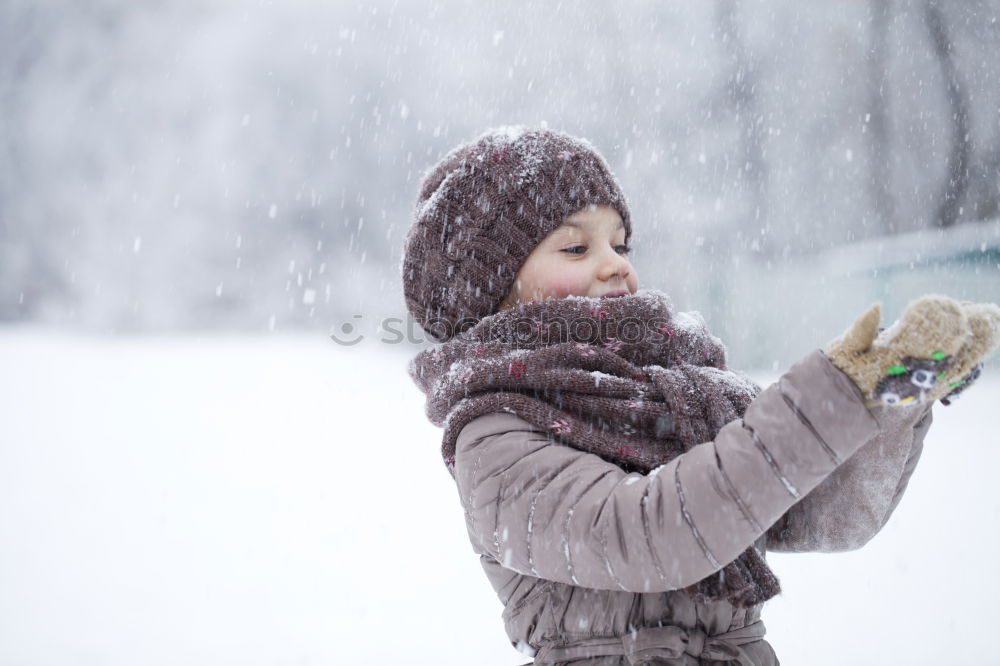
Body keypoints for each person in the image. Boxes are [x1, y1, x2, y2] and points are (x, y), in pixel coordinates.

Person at [402, 126, 999, 665]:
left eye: (620, 243)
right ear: (494, 294)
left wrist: (890, 392)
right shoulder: (494, 433)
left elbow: (816, 508)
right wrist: (831, 393)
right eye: (577, 248)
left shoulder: (678, 395)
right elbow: (651, 533)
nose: (615, 265)